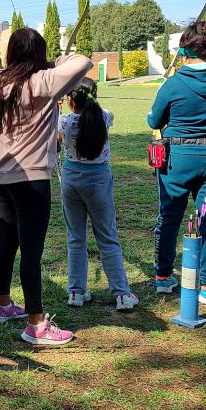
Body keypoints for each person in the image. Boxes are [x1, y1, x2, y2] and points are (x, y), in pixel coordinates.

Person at [0, 27, 91, 346]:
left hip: (2, 175)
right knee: (31, 249)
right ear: (38, 55)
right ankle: (36, 325)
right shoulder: (44, 81)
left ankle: (4, 304)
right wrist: (52, 62)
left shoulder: (0, 82)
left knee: (9, 240)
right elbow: (84, 61)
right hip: (31, 178)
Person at [148, 20, 206, 304]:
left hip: (177, 158)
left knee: (169, 216)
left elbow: (154, 120)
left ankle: (163, 277)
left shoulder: (174, 82)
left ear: (185, 51)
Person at [57, 78, 138, 311]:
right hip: (98, 179)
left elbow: (58, 136)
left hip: (72, 179)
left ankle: (76, 291)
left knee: (76, 237)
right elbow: (101, 112)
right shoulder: (104, 117)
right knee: (107, 237)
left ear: (71, 101)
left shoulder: (65, 121)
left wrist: (58, 106)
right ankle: (122, 294)